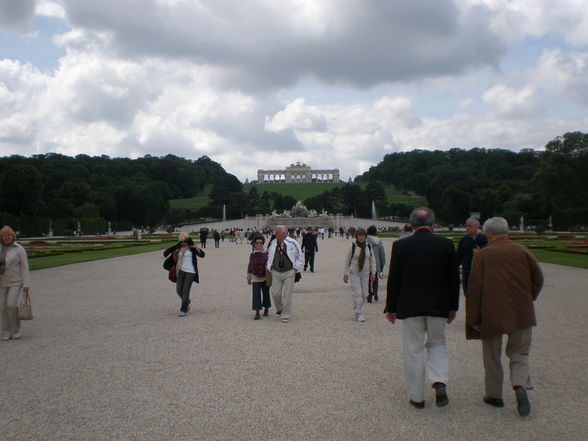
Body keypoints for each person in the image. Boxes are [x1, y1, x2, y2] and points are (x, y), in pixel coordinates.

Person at [466, 217, 543, 417]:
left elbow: (474, 291)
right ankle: (519, 386)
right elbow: (538, 280)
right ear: (507, 231)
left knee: (492, 357)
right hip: (521, 311)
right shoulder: (523, 250)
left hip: (491, 313)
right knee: (520, 354)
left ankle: (494, 395)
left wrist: (474, 320)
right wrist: (528, 299)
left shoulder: (483, 255)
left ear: (488, 233)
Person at [385, 208, 459, 409]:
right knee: (437, 343)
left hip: (410, 305)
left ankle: (417, 397)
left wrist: (391, 307)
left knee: (413, 350)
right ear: (432, 224)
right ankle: (439, 381)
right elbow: (454, 280)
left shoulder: (401, 245)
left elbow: (394, 280)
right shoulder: (446, 244)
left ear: (412, 224)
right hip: (439, 305)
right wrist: (453, 306)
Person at [163, 232, 205, 317]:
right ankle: (186, 301)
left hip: (191, 272)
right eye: (181, 241)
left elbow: (202, 255)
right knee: (178, 290)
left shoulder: (192, 248)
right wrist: (175, 253)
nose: (182, 243)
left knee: (186, 290)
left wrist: (197, 249)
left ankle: (184, 309)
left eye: (184, 241)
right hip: (180, 271)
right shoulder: (179, 248)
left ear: (187, 240)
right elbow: (174, 260)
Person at [0, 226, 31, 341]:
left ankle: (15, 330)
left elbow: (24, 267)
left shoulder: (19, 249)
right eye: (4, 235)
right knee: (2, 308)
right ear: (1, 237)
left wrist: (26, 284)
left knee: (11, 305)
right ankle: (6, 332)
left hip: (15, 281)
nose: (7, 237)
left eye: (9, 235)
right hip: (2, 281)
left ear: (13, 236)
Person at [266, 226, 302, 323]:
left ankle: (286, 314)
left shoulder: (293, 242)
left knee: (287, 294)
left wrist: (296, 267)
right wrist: (268, 267)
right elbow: (269, 254)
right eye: (276, 232)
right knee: (275, 293)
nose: (275, 233)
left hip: (289, 271)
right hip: (276, 271)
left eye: (277, 232)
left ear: (284, 233)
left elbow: (299, 254)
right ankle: (280, 308)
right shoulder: (273, 243)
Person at [343, 228, 376, 322]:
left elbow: (372, 260)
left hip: (365, 273)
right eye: (359, 235)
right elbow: (347, 260)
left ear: (365, 236)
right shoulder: (352, 246)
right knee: (357, 294)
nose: (361, 237)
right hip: (355, 272)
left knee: (365, 294)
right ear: (356, 236)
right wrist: (345, 273)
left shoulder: (368, 246)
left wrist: (373, 272)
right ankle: (359, 313)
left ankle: (357, 307)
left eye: (363, 235)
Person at [456, 216, 487, 292]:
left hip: (482, 272)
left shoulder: (484, 239)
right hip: (467, 272)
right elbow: (458, 258)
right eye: (466, 226)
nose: (467, 228)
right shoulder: (463, 240)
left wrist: (481, 252)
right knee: (468, 293)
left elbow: (491, 255)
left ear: (477, 227)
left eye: (469, 226)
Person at [246, 236, 271, 320]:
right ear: (254, 244)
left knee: (266, 294)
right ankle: (257, 312)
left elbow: (270, 266)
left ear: (263, 244)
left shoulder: (266, 254)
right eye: (257, 243)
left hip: (265, 277)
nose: (259, 244)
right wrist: (249, 277)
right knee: (256, 295)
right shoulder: (252, 255)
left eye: (261, 243)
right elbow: (250, 266)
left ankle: (266, 308)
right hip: (255, 277)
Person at [366, 225, 386, 303]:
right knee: (376, 279)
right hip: (376, 264)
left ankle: (370, 295)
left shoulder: (364, 240)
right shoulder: (379, 241)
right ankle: (375, 293)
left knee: (368, 279)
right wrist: (381, 266)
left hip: (367, 264)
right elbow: (382, 256)